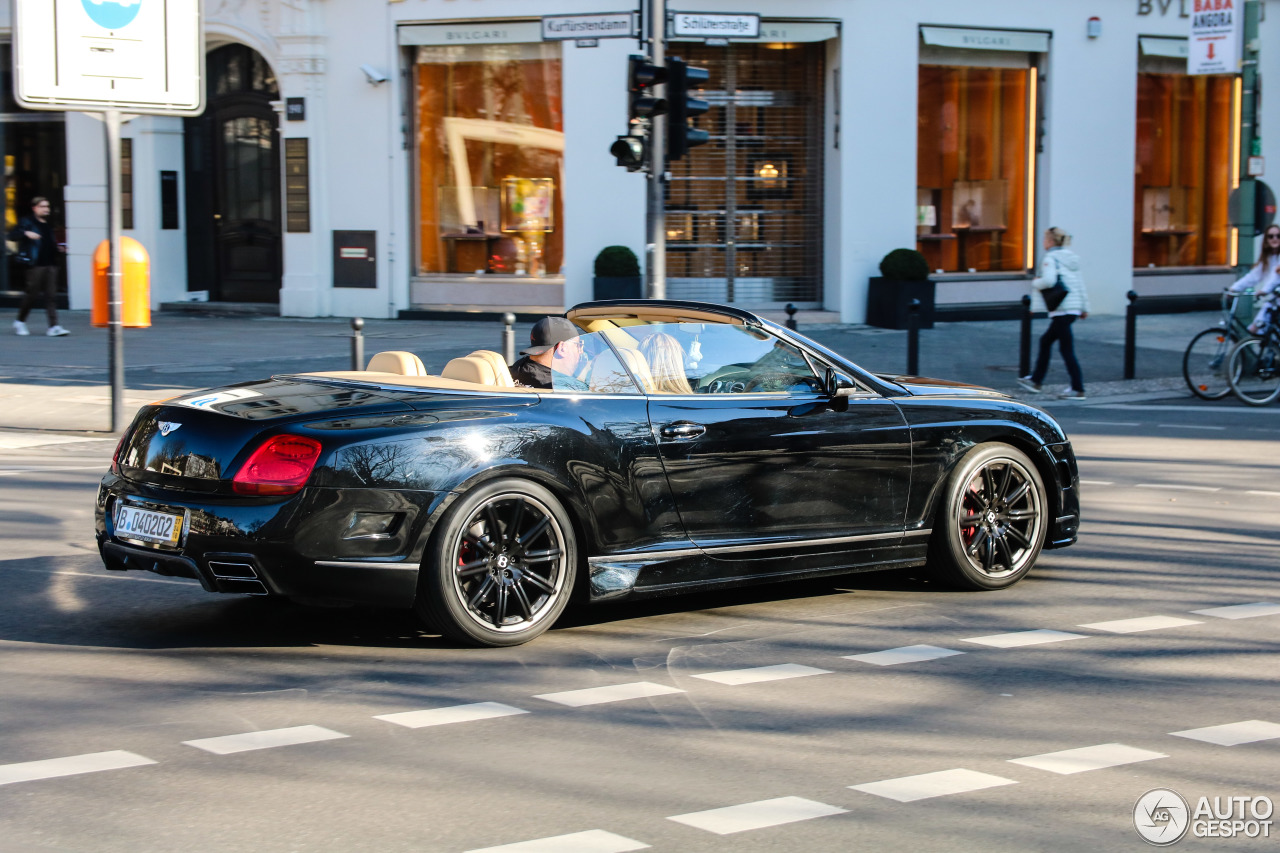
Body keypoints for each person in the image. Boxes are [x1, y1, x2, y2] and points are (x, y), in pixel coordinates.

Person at [1018, 227, 1090, 399]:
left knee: (1065, 349)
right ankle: (1037, 380)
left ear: (1050, 242)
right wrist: (1084, 307)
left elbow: (1048, 281)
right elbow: (1080, 284)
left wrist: (1036, 282)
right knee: (1049, 343)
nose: (1043, 243)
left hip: (1061, 308)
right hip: (1072, 308)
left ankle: (1076, 388)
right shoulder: (1070, 258)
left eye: (1044, 240)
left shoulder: (1050, 258)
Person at [11, 197, 68, 337]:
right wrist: (25, 233)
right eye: (42, 206)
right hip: (35, 265)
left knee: (51, 296)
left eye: (47, 206)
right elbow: (11, 235)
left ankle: (53, 327)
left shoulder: (48, 225)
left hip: (51, 264)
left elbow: (48, 244)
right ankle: (20, 321)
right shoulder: (27, 222)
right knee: (32, 295)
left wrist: (59, 249)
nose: (46, 209)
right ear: (34, 208)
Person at [1228, 224, 1280, 335]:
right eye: (1271, 236)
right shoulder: (1267, 259)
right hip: (1273, 303)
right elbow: (1253, 276)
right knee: (1256, 330)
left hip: (1275, 303)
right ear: (1266, 240)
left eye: (1278, 236)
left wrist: (1264, 290)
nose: (1275, 239)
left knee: (1258, 329)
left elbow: (1276, 277)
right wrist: (1234, 288)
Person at [510, 316, 587, 390]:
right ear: (562, 348)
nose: (581, 351)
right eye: (578, 345)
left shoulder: (514, 370)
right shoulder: (560, 388)